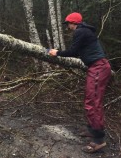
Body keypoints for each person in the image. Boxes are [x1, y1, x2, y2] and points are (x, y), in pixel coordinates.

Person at [48, 12, 112, 153]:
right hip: (96, 67)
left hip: (98, 68)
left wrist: (56, 53)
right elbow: (78, 53)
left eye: (68, 24)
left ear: (73, 23)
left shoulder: (80, 32)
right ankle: (92, 129)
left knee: (93, 103)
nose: (68, 27)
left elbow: (72, 51)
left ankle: (98, 140)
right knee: (90, 100)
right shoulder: (85, 31)